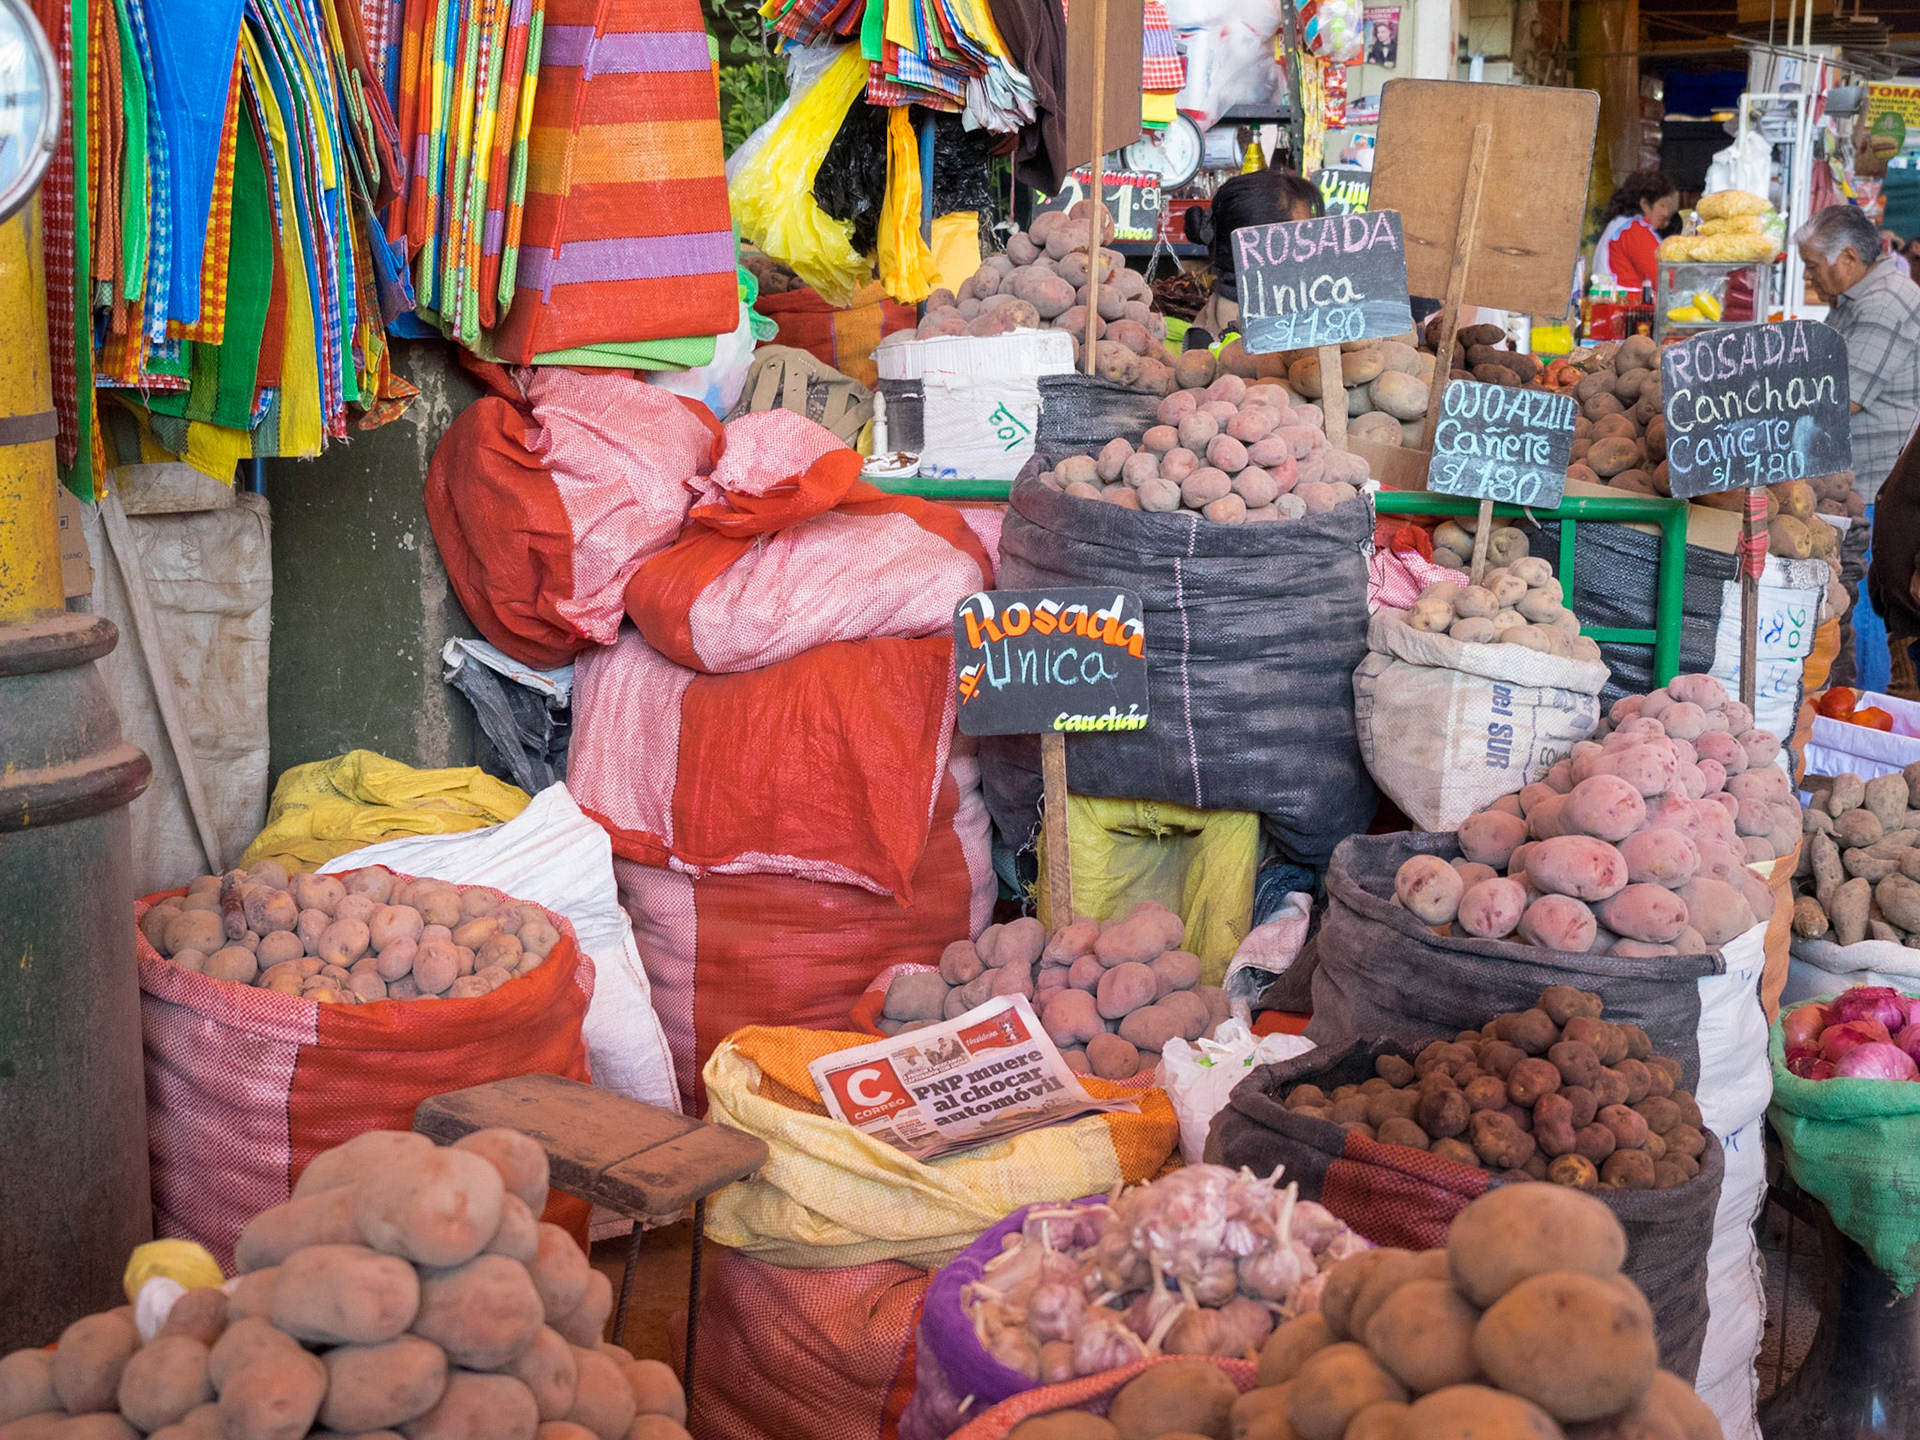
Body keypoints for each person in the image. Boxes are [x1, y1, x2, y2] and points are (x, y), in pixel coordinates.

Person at [1797, 203, 1920, 689]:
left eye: (1812, 265)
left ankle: (1864, 713)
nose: (1810, 276)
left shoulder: (1885, 302)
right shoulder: (1855, 298)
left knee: (1861, 603)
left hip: (1871, 486)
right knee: (1848, 606)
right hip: (1852, 481)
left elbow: (1839, 398)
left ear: (1846, 258)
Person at [1185, 170, 1324, 344]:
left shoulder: (1229, 309)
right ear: (1260, 247)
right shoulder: (1243, 334)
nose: (1315, 246)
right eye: (1304, 234)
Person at [1591, 170, 1680, 296]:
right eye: (1662, 205)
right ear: (1644, 204)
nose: (1665, 213)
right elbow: (1662, 279)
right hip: (1626, 310)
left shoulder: (1620, 224)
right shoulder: (1633, 231)